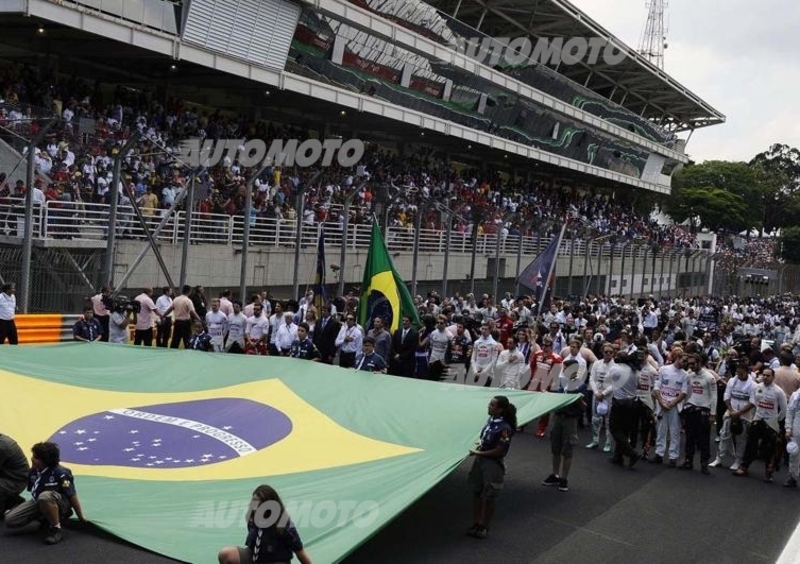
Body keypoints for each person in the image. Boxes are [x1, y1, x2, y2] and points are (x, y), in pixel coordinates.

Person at [4, 442, 87, 545]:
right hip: (39, 501)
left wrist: (81, 517)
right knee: (10, 520)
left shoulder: (61, 473)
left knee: (45, 496)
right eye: (33, 456)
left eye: (36, 457)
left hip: (59, 504)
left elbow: (72, 495)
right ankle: (44, 518)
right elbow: (32, 491)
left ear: (46, 461)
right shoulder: (34, 471)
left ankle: (56, 528)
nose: (32, 459)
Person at [217, 484, 312, 564]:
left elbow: (300, 552)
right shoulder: (252, 517)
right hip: (255, 556)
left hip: (276, 561)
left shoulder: (284, 524)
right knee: (226, 554)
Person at [467, 396, 517, 540]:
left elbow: (500, 450)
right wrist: (478, 446)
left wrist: (478, 452)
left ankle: (484, 526)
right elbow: (484, 438)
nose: (489, 406)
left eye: (492, 405)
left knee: (489, 496)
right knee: (476, 492)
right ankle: (476, 523)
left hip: (492, 464)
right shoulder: (490, 421)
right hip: (480, 461)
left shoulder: (504, 428)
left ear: (500, 409)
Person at [0, 433, 29, 513]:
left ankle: (11, 502)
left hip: (15, 481)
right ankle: (11, 500)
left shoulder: (2, 446)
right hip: (7, 476)